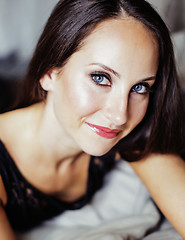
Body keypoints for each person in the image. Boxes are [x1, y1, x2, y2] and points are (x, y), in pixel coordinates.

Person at [0, 0, 185, 239]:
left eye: (140, 87)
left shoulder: (134, 128)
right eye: (100, 78)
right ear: (49, 72)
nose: (120, 115)